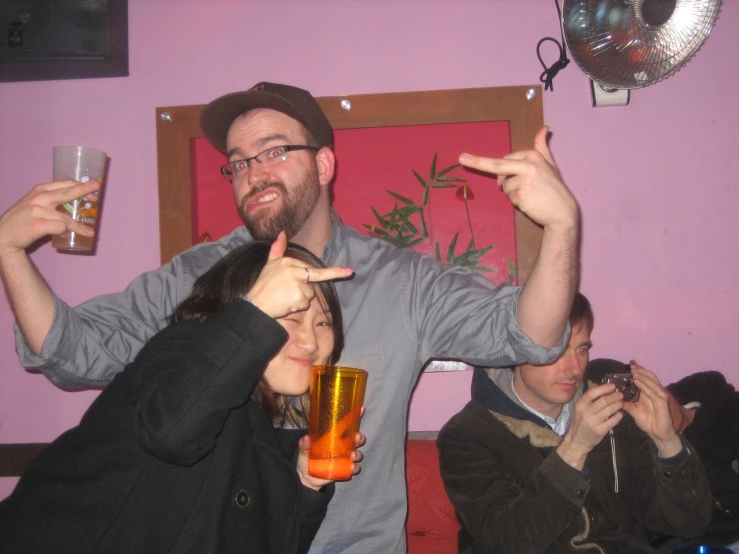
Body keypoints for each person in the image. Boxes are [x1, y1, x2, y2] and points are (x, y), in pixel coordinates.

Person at [0, 81, 580, 552]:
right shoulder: (197, 277)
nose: (254, 173)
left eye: (275, 151)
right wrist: (10, 254)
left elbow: (531, 336)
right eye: (239, 163)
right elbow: (74, 353)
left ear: (324, 164)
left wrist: (560, 227)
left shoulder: (401, 281)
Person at [0, 235, 365, 553]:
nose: (312, 341)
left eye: (323, 322)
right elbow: (173, 433)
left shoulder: (265, 433)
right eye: (291, 315)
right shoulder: (179, 351)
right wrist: (256, 313)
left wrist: (303, 483)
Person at [437, 293, 712, 553]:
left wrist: (667, 442)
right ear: (515, 350)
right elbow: (507, 543)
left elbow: (688, 525)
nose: (574, 368)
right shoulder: (467, 435)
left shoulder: (613, 409)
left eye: (581, 349)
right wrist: (575, 448)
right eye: (556, 351)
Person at [589, 359, 739, 553]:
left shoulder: (726, 408)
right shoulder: (642, 463)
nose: (647, 408)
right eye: (624, 412)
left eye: (633, 394)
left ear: (644, 376)